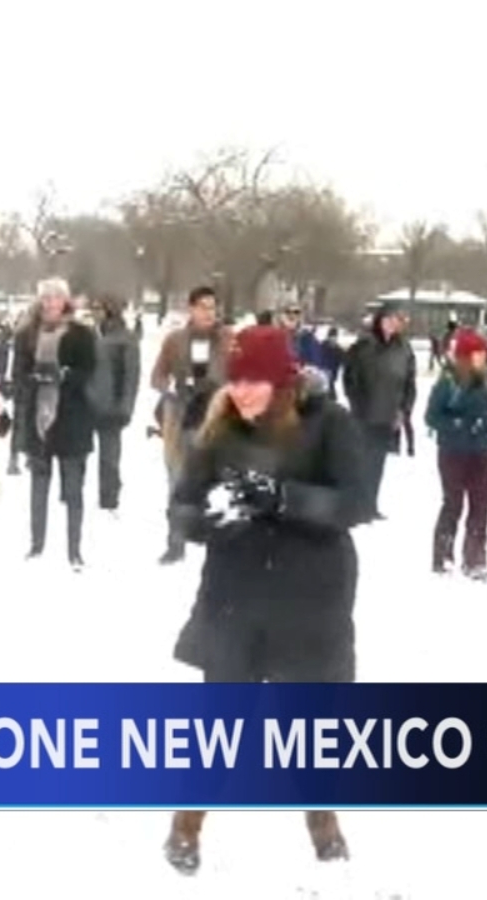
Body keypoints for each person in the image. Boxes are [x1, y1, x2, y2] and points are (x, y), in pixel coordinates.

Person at [163, 325, 368, 875]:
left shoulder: (328, 422)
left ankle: (322, 822)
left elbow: (356, 501)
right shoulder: (219, 429)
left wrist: (282, 497)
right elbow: (181, 507)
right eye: (234, 381)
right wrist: (212, 518)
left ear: (281, 379)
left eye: (253, 381)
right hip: (236, 594)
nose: (241, 392)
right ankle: (186, 825)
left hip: (310, 598)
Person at [9, 277, 98, 570]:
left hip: (72, 417)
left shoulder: (81, 333)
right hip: (38, 417)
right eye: (45, 298)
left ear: (65, 301)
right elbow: (18, 374)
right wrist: (33, 380)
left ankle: (75, 550)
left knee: (73, 489)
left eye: (56, 297)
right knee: (38, 485)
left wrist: (64, 376)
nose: (50, 303)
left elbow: (89, 370)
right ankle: (36, 545)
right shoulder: (26, 333)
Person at [148, 286, 232, 563]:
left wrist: (223, 389)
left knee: (221, 482)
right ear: (191, 309)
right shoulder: (175, 340)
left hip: (218, 419)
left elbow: (242, 375)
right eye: (203, 307)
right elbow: (157, 377)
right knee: (178, 481)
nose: (209, 313)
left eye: (213, 307)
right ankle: (176, 542)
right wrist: (174, 386)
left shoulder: (228, 339)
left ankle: (220, 542)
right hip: (182, 417)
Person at [424, 328, 487, 579]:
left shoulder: (484, 384)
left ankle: (475, 559)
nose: (483, 359)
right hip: (453, 452)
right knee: (453, 503)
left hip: (481, 452)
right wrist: (457, 425)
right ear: (466, 357)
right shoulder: (447, 384)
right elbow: (431, 417)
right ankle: (442, 556)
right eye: (479, 355)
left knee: (480, 506)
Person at [342, 302, 416, 520]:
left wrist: (404, 410)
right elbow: (350, 379)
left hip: (389, 415)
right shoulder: (364, 346)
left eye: (397, 320)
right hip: (364, 413)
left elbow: (409, 384)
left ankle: (370, 505)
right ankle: (354, 505)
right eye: (389, 319)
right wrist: (358, 404)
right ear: (380, 320)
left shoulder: (404, 349)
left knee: (377, 463)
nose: (393, 324)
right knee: (360, 462)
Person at [87, 294, 141, 513]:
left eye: (98, 309)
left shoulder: (125, 339)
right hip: (87, 403)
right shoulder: (91, 335)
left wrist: (126, 407)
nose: (94, 313)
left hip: (112, 407)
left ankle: (108, 497)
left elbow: (131, 376)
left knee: (109, 457)